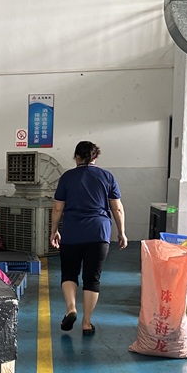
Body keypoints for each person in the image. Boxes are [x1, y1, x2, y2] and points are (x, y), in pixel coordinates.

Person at [49, 140, 127, 335]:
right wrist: (122, 232)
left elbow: (58, 207)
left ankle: (71, 309)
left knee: (69, 273)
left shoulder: (67, 177)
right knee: (92, 279)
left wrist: (54, 230)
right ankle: (86, 323)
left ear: (76, 157)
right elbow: (117, 208)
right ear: (95, 157)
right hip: (99, 233)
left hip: (72, 232)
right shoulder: (107, 176)